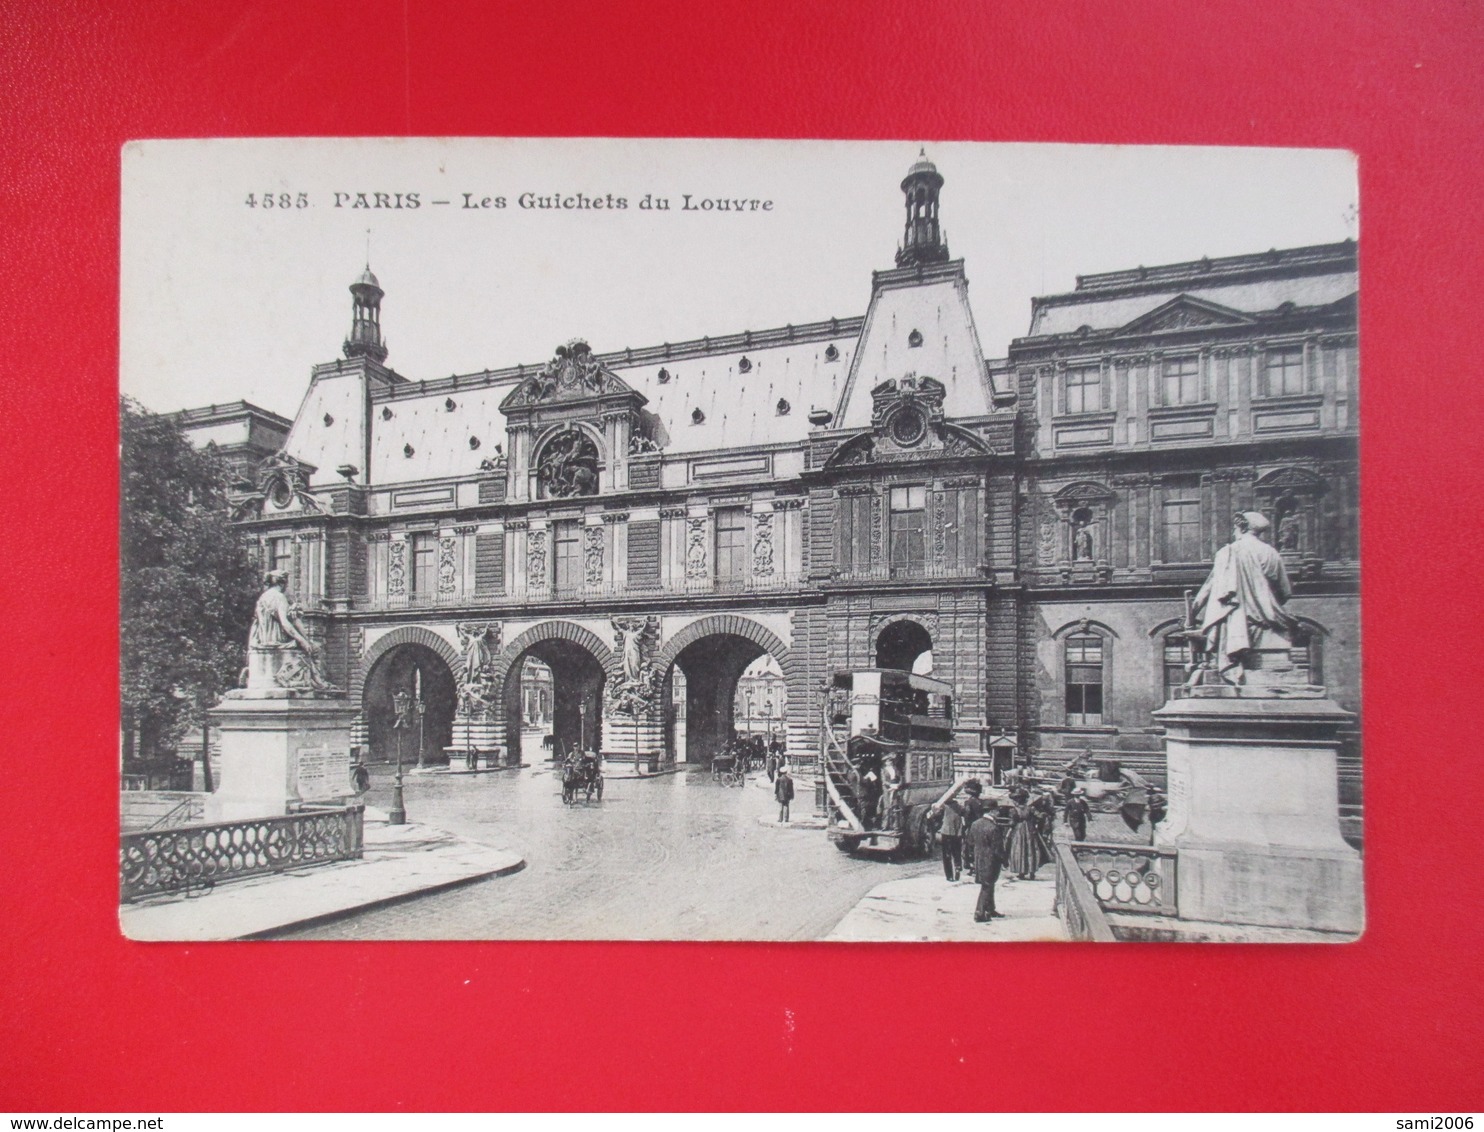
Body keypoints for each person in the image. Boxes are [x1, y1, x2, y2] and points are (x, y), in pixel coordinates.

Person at [1189, 510, 1299, 683]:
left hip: (1238, 623)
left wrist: (1193, 610)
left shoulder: (1229, 552)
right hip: (1269, 622)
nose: (1233, 531)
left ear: (1242, 526)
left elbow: (1210, 587)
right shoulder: (1271, 553)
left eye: (1235, 527)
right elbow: (1285, 591)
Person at [967, 800, 1007, 922]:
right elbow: (998, 848)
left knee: (989, 884)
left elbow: (969, 842)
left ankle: (990, 909)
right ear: (991, 811)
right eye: (996, 810)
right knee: (987, 886)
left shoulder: (975, 824)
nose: (998, 813)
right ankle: (979, 913)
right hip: (991, 861)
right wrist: (1004, 860)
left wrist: (970, 859)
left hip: (979, 859)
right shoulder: (994, 827)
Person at [1005, 791, 1047, 881]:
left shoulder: (1014, 810)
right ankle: (1032, 872)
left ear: (1017, 801)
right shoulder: (1031, 808)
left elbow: (1012, 823)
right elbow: (1040, 817)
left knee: (1020, 849)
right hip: (1030, 829)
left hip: (1019, 830)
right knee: (1031, 850)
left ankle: (1022, 872)